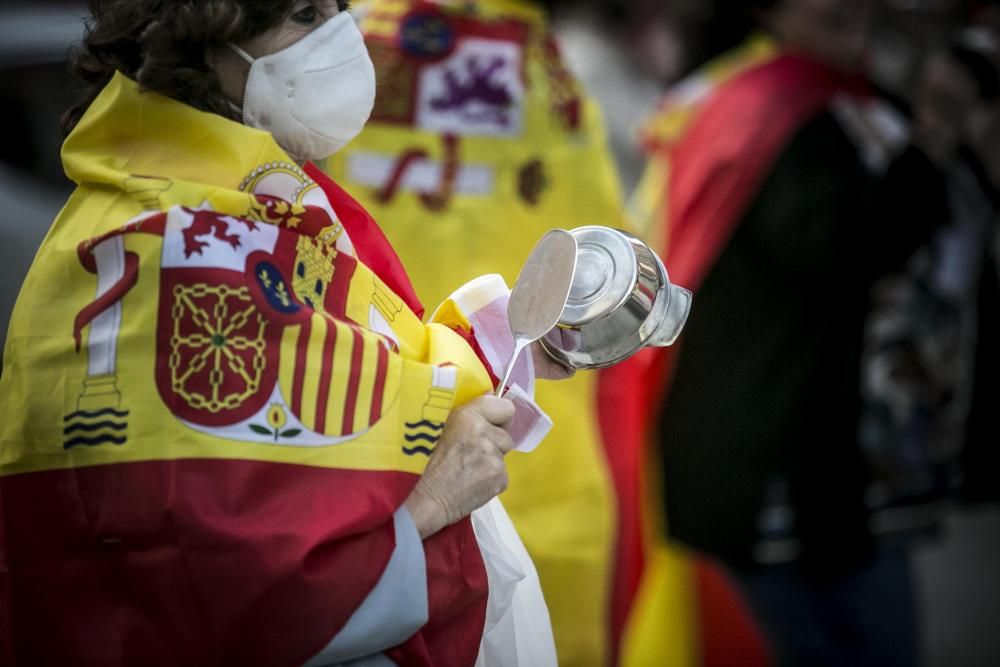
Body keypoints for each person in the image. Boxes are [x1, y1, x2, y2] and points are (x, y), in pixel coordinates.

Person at [0, 1, 570, 665]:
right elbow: (242, 600)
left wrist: (491, 344)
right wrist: (436, 498)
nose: (340, 39)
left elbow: (342, 378)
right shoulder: (182, 243)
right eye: (304, 14)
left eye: (339, 9)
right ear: (203, 41)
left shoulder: (231, 198)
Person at [323, 2, 668, 665]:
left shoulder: (338, 53)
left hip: (381, 443)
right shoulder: (544, 68)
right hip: (534, 442)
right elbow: (606, 251)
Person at [607, 0, 950, 665]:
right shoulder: (768, 102)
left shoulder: (842, 98)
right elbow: (834, 243)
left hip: (839, 464)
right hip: (781, 468)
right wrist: (932, 144)